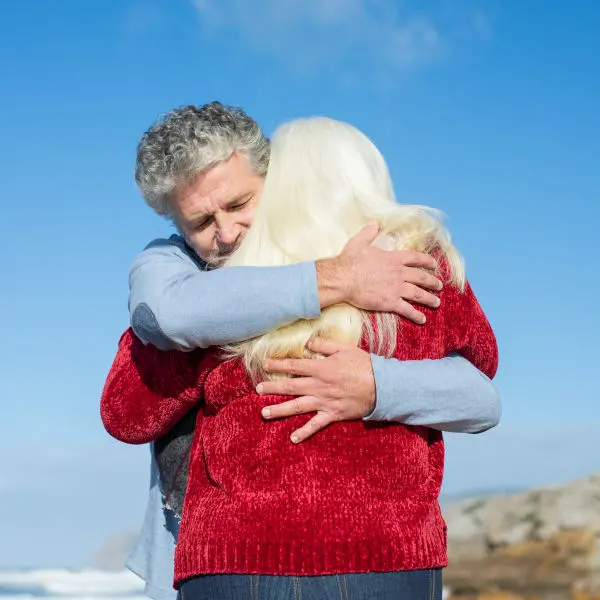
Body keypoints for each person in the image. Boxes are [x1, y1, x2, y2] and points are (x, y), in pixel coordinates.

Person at [102, 114, 499, 600]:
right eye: (202, 222)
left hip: (349, 555)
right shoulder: (180, 273)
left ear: (277, 179)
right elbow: (159, 337)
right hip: (245, 555)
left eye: (240, 204)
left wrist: (376, 385)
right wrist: (336, 279)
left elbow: (483, 395)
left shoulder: (401, 264)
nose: (227, 234)